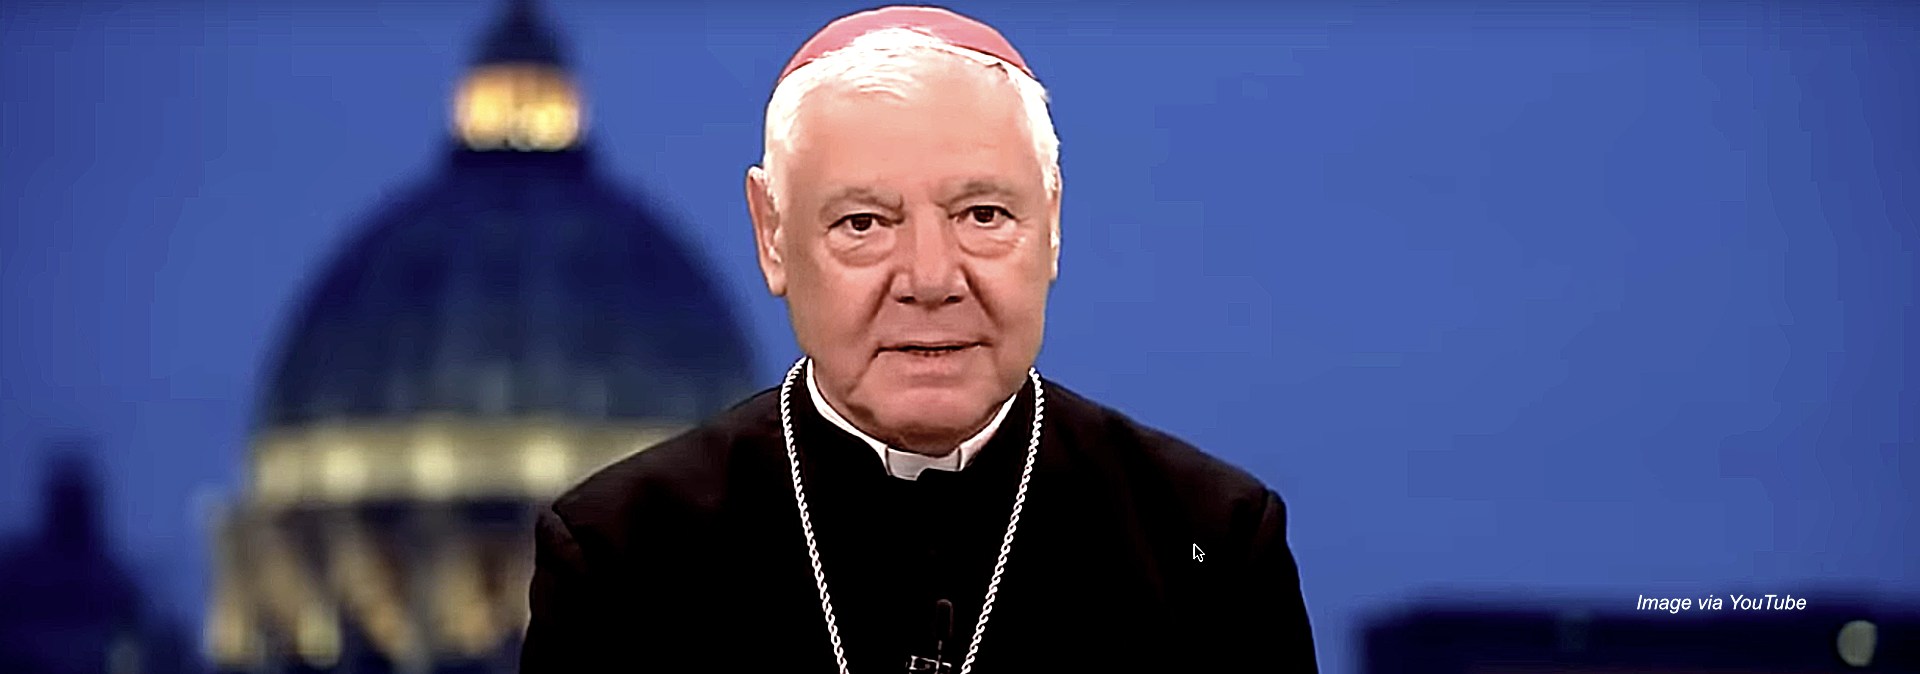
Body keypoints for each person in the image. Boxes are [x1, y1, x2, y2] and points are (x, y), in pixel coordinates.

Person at [520, 6, 1317, 672]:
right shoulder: (620, 554)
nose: (931, 279)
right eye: (864, 223)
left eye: (983, 215)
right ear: (772, 235)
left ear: (1052, 223)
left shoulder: (1210, 541)